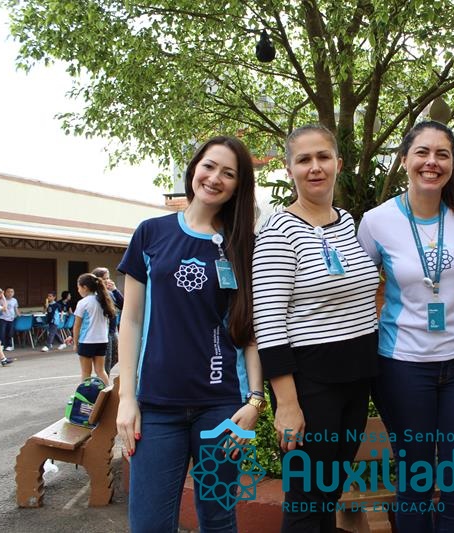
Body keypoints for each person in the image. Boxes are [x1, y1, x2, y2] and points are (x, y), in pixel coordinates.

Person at [116, 136, 262, 533]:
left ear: (238, 185)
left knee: (218, 520)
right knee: (149, 524)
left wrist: (255, 400)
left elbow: (249, 330)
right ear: (194, 167)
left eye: (228, 173)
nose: (214, 178)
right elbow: (131, 320)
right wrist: (127, 398)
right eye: (209, 166)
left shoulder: (243, 246)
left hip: (221, 408)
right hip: (156, 407)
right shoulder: (151, 233)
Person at [356, 120, 454, 532]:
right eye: (422, 153)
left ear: (452, 163)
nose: (432, 162)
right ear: (403, 160)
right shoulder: (376, 222)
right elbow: (358, 292)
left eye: (442, 154)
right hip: (402, 365)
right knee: (416, 479)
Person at [252, 124, 380, 532]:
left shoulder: (347, 223)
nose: (315, 167)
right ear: (289, 169)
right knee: (307, 498)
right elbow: (268, 319)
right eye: (303, 159)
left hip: (355, 380)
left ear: (338, 163)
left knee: (328, 491)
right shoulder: (278, 231)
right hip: (310, 386)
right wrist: (287, 403)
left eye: (323, 157)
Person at [72, 273, 116, 386]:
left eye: (78, 287)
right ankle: (106, 393)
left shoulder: (83, 303)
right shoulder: (103, 300)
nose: (78, 290)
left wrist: (75, 343)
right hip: (102, 340)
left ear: (85, 287)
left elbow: (77, 326)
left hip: (87, 341)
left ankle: (86, 394)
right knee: (100, 371)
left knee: (86, 372)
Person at [91, 266, 124, 373]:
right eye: (105, 278)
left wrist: (115, 290)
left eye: (108, 278)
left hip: (113, 331)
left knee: (117, 356)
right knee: (106, 361)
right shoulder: (95, 295)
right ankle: (102, 379)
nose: (107, 281)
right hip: (104, 332)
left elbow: (123, 305)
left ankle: (102, 375)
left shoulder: (110, 293)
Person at [0, 287, 20, 351]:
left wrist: (18, 314)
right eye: (8, 292)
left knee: (10, 333)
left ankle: (9, 345)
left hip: (12, 319)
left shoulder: (14, 300)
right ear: (5, 293)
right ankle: (2, 345)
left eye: (12, 292)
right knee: (2, 332)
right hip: (3, 319)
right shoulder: (1, 300)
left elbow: (16, 308)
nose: (10, 293)